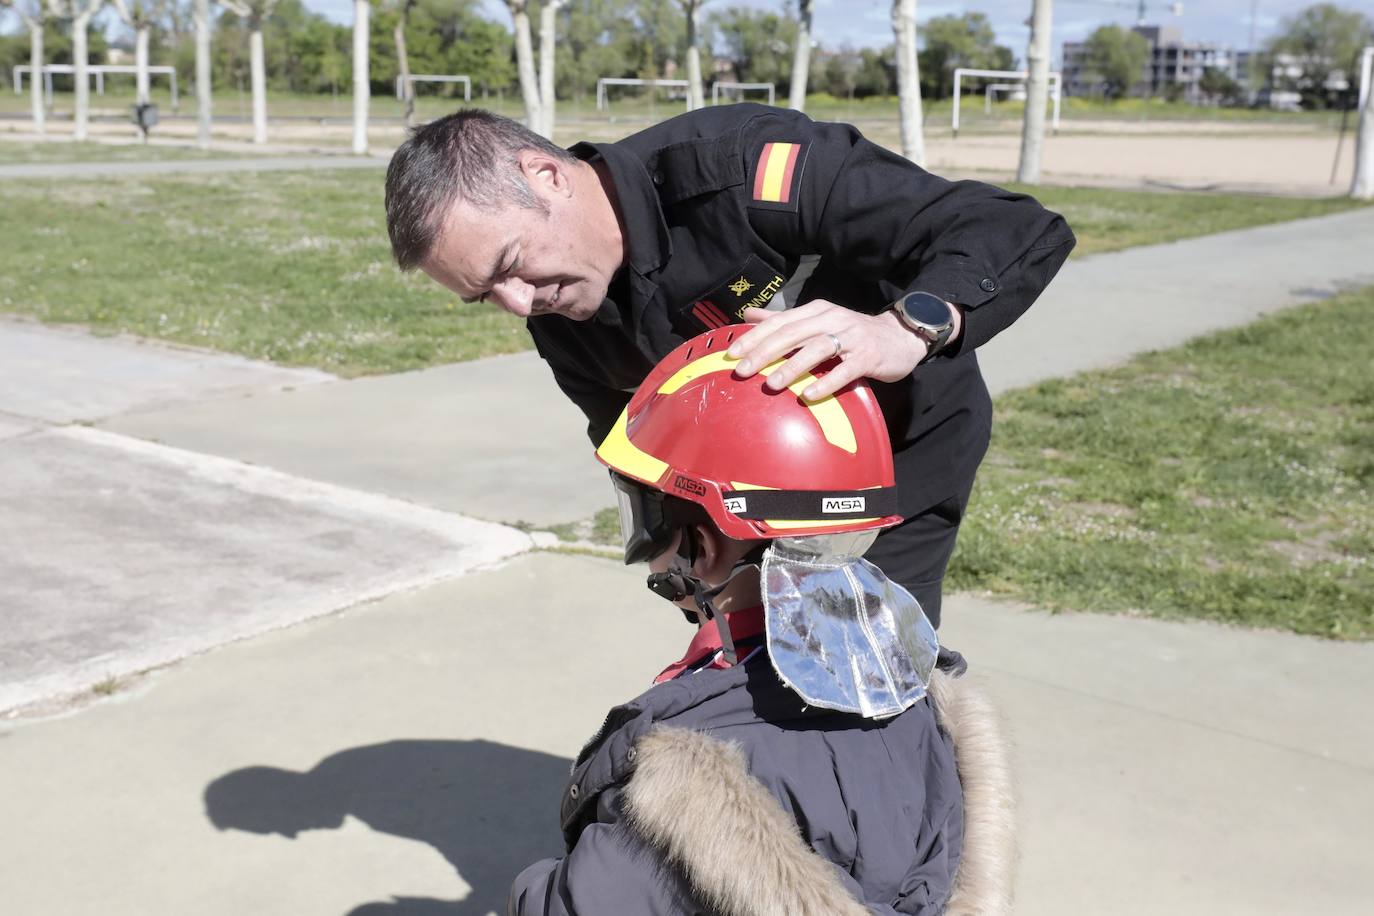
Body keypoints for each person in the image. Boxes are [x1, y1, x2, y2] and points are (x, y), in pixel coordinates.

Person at [385, 104, 1075, 628]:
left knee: (870, 685)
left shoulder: (741, 171)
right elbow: (630, 441)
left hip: (892, 466)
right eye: (487, 296)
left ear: (546, 176)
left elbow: (1010, 226)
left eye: (509, 265)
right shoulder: (557, 308)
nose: (518, 303)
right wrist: (674, 557)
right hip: (738, 517)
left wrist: (905, 328)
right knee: (747, 697)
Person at [506, 327, 1014, 916]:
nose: (646, 548)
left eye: (646, 519)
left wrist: (536, 886)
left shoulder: (684, 785)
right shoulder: (920, 696)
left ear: (706, 544)